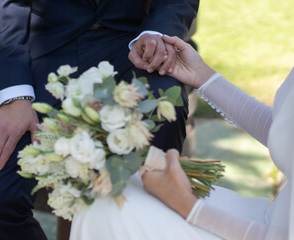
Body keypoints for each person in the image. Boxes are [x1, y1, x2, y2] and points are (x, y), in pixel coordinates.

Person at [0, 1, 199, 239]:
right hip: (44, 53)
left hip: (133, 43)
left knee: (165, 111)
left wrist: (157, 33)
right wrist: (14, 94)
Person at [70, 35, 293, 239]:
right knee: (108, 194)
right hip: (269, 219)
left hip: (259, 231)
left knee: (106, 208)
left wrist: (187, 205)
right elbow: (284, 129)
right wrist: (202, 75)